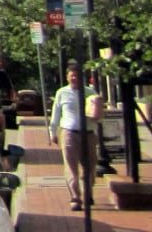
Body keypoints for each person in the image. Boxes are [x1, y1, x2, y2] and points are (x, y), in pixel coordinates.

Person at [49, 62, 100, 211]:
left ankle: (88, 193)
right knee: (71, 168)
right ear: (67, 77)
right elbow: (56, 114)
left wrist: (97, 116)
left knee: (90, 167)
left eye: (77, 76)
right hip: (69, 133)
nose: (74, 79)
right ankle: (75, 198)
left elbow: (99, 115)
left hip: (88, 134)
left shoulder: (90, 93)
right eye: (72, 76)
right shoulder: (62, 93)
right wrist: (53, 132)